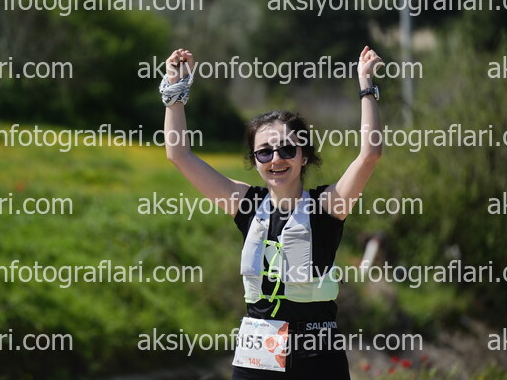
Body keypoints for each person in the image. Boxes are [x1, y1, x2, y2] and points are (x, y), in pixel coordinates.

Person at [161, 46, 383, 379]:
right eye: (264, 152)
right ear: (255, 161)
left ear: (304, 157)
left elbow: (370, 154)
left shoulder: (328, 206)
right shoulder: (245, 203)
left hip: (317, 355)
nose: (276, 159)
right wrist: (175, 90)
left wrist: (366, 86)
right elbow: (178, 154)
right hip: (258, 353)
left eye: (287, 149)